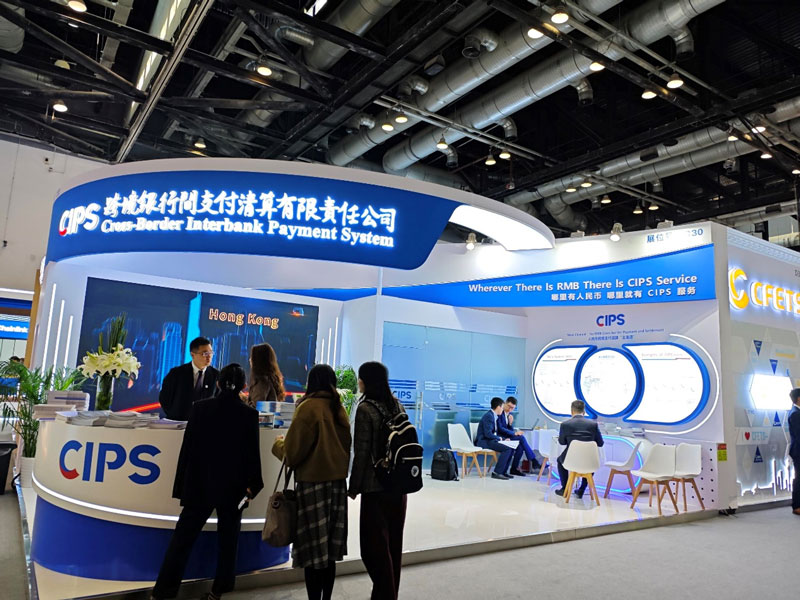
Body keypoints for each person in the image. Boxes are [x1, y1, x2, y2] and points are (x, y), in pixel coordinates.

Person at [151, 363, 263, 600]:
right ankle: (218, 592)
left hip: (199, 485)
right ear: (243, 386)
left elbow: (187, 449)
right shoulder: (249, 415)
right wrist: (253, 488)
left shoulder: (200, 409)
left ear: (218, 383)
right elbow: (252, 456)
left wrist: (181, 485)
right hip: (234, 490)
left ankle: (163, 593)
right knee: (228, 543)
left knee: (182, 540)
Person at [272, 364, 350, 600]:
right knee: (329, 552)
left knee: (313, 552)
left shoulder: (308, 408)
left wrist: (278, 444)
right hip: (337, 487)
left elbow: (293, 454)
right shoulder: (339, 408)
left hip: (313, 486)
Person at [349, 361, 407, 600]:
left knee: (372, 549)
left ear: (365, 381)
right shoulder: (397, 404)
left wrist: (353, 487)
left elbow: (362, 452)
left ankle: (385, 596)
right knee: (393, 546)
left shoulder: (365, 409)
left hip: (375, 488)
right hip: (399, 485)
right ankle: (387, 595)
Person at [159, 337, 219, 420]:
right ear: (192, 355)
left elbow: (219, 400)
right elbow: (164, 398)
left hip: (205, 422)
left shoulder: (216, 375)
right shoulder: (176, 373)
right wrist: (173, 415)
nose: (209, 356)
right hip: (179, 422)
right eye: (205, 353)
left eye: (211, 352)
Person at [555, 400, 604, 499]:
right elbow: (600, 443)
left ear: (572, 411)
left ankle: (565, 488)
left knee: (559, 460)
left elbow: (562, 442)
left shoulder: (565, 425)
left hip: (571, 460)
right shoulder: (593, 425)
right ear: (584, 412)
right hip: (589, 461)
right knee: (590, 462)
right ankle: (582, 489)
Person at [497, 396, 541, 475]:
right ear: (505, 403)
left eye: (512, 408)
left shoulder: (509, 415)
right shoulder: (500, 413)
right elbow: (500, 429)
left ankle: (514, 469)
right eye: (509, 406)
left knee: (520, 447)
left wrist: (510, 424)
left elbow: (509, 429)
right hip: (501, 437)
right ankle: (533, 460)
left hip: (507, 436)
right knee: (521, 438)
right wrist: (514, 433)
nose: (510, 409)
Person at [474, 397, 515, 480]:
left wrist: (502, 439)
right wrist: (499, 438)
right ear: (498, 407)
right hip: (484, 441)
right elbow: (488, 434)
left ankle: (503, 472)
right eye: (502, 407)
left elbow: (493, 433)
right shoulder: (488, 416)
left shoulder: (494, 416)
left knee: (511, 447)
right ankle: (497, 472)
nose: (503, 409)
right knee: (507, 449)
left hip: (490, 440)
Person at [244, 343, 285, 409]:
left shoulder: (262, 382)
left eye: (252, 357)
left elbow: (254, 408)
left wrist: (241, 400)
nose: (250, 360)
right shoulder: (269, 379)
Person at [789, 388, 800, 515]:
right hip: (798, 451)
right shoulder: (795, 414)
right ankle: (797, 505)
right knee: (799, 478)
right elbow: (798, 435)